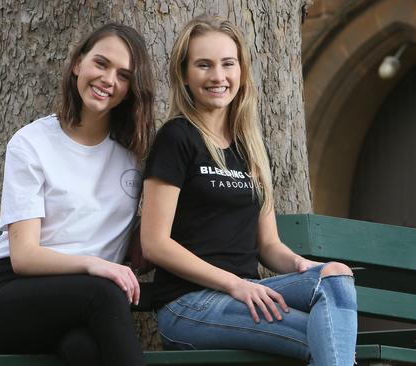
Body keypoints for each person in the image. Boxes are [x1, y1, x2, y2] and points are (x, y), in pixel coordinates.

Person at [141, 15, 357, 365]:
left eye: (228, 64)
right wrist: (234, 284)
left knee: (336, 278)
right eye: (203, 65)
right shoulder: (176, 138)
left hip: (247, 294)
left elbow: (268, 246)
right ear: (184, 74)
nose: (218, 76)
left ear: (241, 71)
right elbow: (154, 243)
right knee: (328, 336)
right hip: (189, 306)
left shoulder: (251, 149)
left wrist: (303, 265)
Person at [0, 23, 154, 366]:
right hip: (12, 298)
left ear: (132, 89)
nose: (108, 80)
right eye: (100, 64)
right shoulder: (31, 143)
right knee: (104, 294)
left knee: (82, 351)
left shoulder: (135, 153)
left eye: (123, 75)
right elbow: (25, 256)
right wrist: (96, 265)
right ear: (78, 64)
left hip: (83, 306)